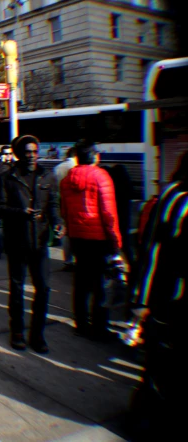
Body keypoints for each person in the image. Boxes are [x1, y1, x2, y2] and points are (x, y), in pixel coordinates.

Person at [128, 152, 187, 440]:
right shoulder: (175, 198)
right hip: (168, 299)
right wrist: (141, 300)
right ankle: (145, 420)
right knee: (159, 364)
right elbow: (151, 250)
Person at [0, 135, 63, 354]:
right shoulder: (7, 177)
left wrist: (58, 223)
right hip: (17, 241)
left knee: (43, 288)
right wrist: (21, 213)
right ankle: (18, 332)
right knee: (17, 288)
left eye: (35, 151)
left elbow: (53, 205)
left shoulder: (46, 176)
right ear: (18, 154)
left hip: (40, 242)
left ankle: (38, 334)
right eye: (27, 152)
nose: (32, 156)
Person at [60, 140, 123, 340]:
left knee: (81, 283)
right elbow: (108, 213)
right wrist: (115, 242)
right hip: (98, 239)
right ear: (95, 156)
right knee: (100, 286)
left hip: (77, 238)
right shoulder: (101, 176)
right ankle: (99, 327)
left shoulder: (68, 179)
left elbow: (64, 210)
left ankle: (81, 324)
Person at [54, 147, 77, 270]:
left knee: (65, 234)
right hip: (75, 205)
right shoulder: (76, 168)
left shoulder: (58, 168)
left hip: (61, 203)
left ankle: (68, 260)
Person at [0, 145, 14, 259]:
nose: (8, 156)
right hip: (0, 202)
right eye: (5, 153)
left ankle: (5, 248)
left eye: (10, 153)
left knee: (9, 227)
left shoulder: (14, 166)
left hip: (11, 203)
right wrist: (2, 163)